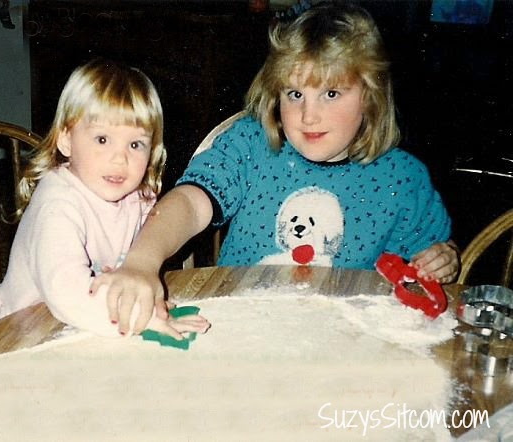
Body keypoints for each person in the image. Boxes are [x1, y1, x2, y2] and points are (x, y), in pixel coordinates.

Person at [91, 2, 460, 335]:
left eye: (331, 94)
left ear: (371, 94)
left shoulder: (403, 179)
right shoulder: (253, 144)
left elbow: (429, 265)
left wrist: (444, 260)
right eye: (294, 94)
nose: (308, 115)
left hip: (341, 341)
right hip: (240, 329)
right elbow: (190, 202)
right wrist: (141, 262)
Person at [0, 59, 209, 340]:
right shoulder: (58, 203)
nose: (120, 158)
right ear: (66, 140)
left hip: (75, 324)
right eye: (102, 139)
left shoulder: (136, 198)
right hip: (18, 328)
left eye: (135, 144)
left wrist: (141, 300)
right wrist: (142, 319)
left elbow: (132, 269)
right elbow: (67, 293)